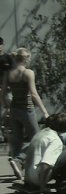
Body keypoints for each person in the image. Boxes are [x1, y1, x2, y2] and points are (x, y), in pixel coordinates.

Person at [1, 48, 50, 179]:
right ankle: (19, 161)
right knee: (37, 139)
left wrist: (6, 106)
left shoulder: (8, 73)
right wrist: (44, 111)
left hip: (14, 109)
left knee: (17, 141)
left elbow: (3, 92)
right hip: (27, 110)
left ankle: (17, 165)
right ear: (26, 59)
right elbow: (34, 94)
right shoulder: (28, 73)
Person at [22, 113, 66, 194]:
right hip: (37, 179)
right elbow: (46, 165)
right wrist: (42, 187)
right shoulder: (55, 140)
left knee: (65, 149)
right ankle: (64, 187)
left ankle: (36, 183)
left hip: (29, 177)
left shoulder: (41, 133)